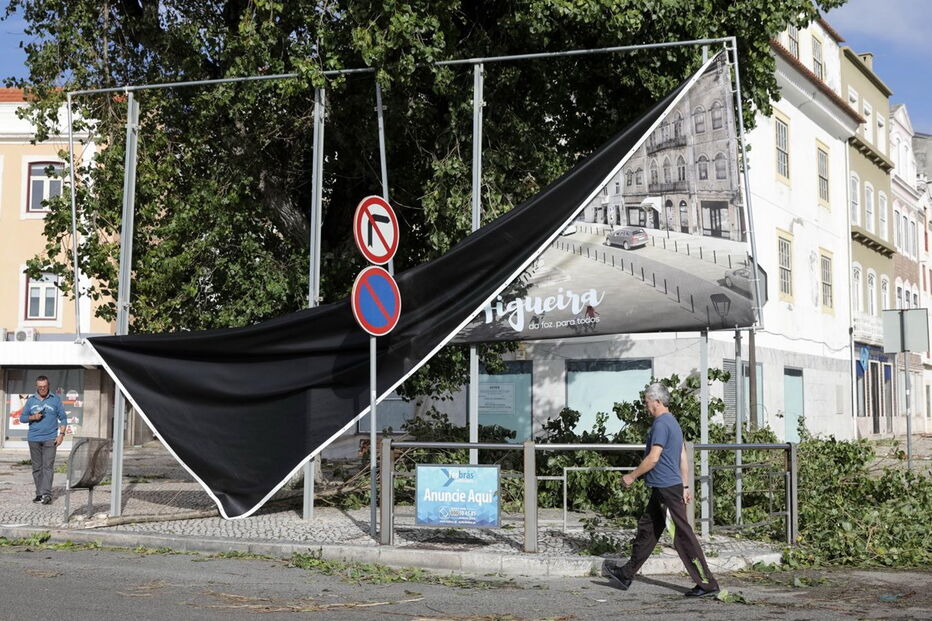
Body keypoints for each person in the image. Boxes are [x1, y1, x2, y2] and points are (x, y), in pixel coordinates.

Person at [604, 382, 719, 598]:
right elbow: (682, 456)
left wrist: (632, 475)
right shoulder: (673, 422)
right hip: (665, 487)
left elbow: (653, 458)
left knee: (683, 537)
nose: (646, 406)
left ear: (657, 402)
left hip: (667, 489)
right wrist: (685, 485)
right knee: (647, 530)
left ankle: (707, 583)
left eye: (647, 402)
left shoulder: (660, 424)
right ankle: (626, 574)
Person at [20, 376, 68, 505]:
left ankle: (47, 494)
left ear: (48, 386)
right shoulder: (31, 400)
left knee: (47, 467)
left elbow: (63, 419)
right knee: (37, 468)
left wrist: (61, 435)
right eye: (40, 387)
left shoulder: (55, 400)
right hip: (34, 438)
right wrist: (33, 417)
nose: (42, 389)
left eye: (44, 387)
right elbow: (22, 418)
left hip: (50, 438)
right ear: (36, 387)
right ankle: (39, 493)